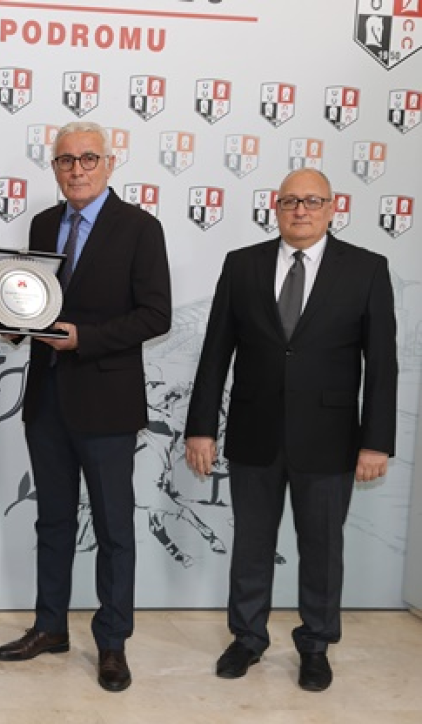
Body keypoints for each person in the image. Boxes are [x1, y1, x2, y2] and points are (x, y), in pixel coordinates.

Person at [184, 168, 397, 692]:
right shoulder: (242, 265)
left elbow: (382, 363)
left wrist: (376, 442)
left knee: (322, 549)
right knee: (251, 544)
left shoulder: (367, 269)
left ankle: (316, 645)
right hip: (254, 432)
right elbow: (215, 351)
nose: (300, 210)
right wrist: (200, 428)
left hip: (330, 439)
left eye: (312, 201)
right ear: (275, 208)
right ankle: (247, 638)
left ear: (332, 208)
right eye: (290, 201)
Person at [0, 121, 172, 692]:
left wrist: (86, 339)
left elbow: (156, 314)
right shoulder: (43, 224)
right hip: (47, 399)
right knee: (52, 520)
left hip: (107, 402)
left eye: (88, 158)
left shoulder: (140, 228)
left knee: (114, 527)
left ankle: (112, 642)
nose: (77, 170)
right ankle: (50, 627)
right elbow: (34, 300)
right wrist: (11, 321)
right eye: (66, 160)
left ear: (110, 164)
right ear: (54, 168)